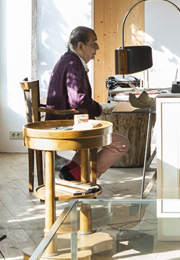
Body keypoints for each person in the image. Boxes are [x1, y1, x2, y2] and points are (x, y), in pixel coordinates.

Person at [46, 26, 129, 181]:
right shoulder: (74, 64)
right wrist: (98, 108)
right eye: (93, 43)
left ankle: (69, 170)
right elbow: (78, 100)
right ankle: (81, 176)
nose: (97, 47)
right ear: (80, 46)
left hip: (59, 121)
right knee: (122, 143)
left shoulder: (66, 60)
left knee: (94, 141)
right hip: (66, 124)